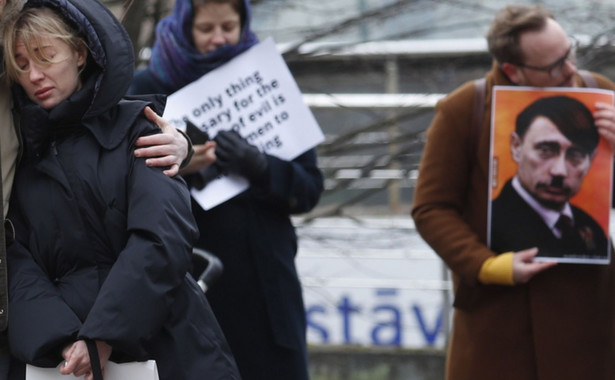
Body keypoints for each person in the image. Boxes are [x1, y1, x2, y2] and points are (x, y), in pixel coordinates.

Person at [2, 1, 241, 379]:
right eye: (21, 65)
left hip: (164, 343)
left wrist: (105, 332)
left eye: (46, 57)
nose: (34, 75)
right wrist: (59, 339)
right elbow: (12, 259)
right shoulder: (17, 151)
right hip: (56, 360)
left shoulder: (138, 129)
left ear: (80, 54)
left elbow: (162, 236)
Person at [412, 4, 615, 380]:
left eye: (569, 52)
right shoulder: (463, 110)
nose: (571, 70)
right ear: (513, 71)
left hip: (589, 325)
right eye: (554, 66)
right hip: (498, 326)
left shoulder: (601, 93)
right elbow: (431, 208)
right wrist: (487, 265)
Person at [128, 1, 324, 379]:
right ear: (185, 27)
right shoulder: (149, 89)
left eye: (228, 27)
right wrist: (185, 167)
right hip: (190, 285)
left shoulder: (268, 80)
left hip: (268, 292)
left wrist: (262, 166)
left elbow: (310, 187)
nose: (219, 39)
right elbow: (124, 188)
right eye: (206, 29)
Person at [491, 95, 608, 260]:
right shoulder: (492, 222)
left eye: (575, 155)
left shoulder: (591, 228)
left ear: (591, 160)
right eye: (545, 150)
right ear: (516, 147)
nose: (559, 171)